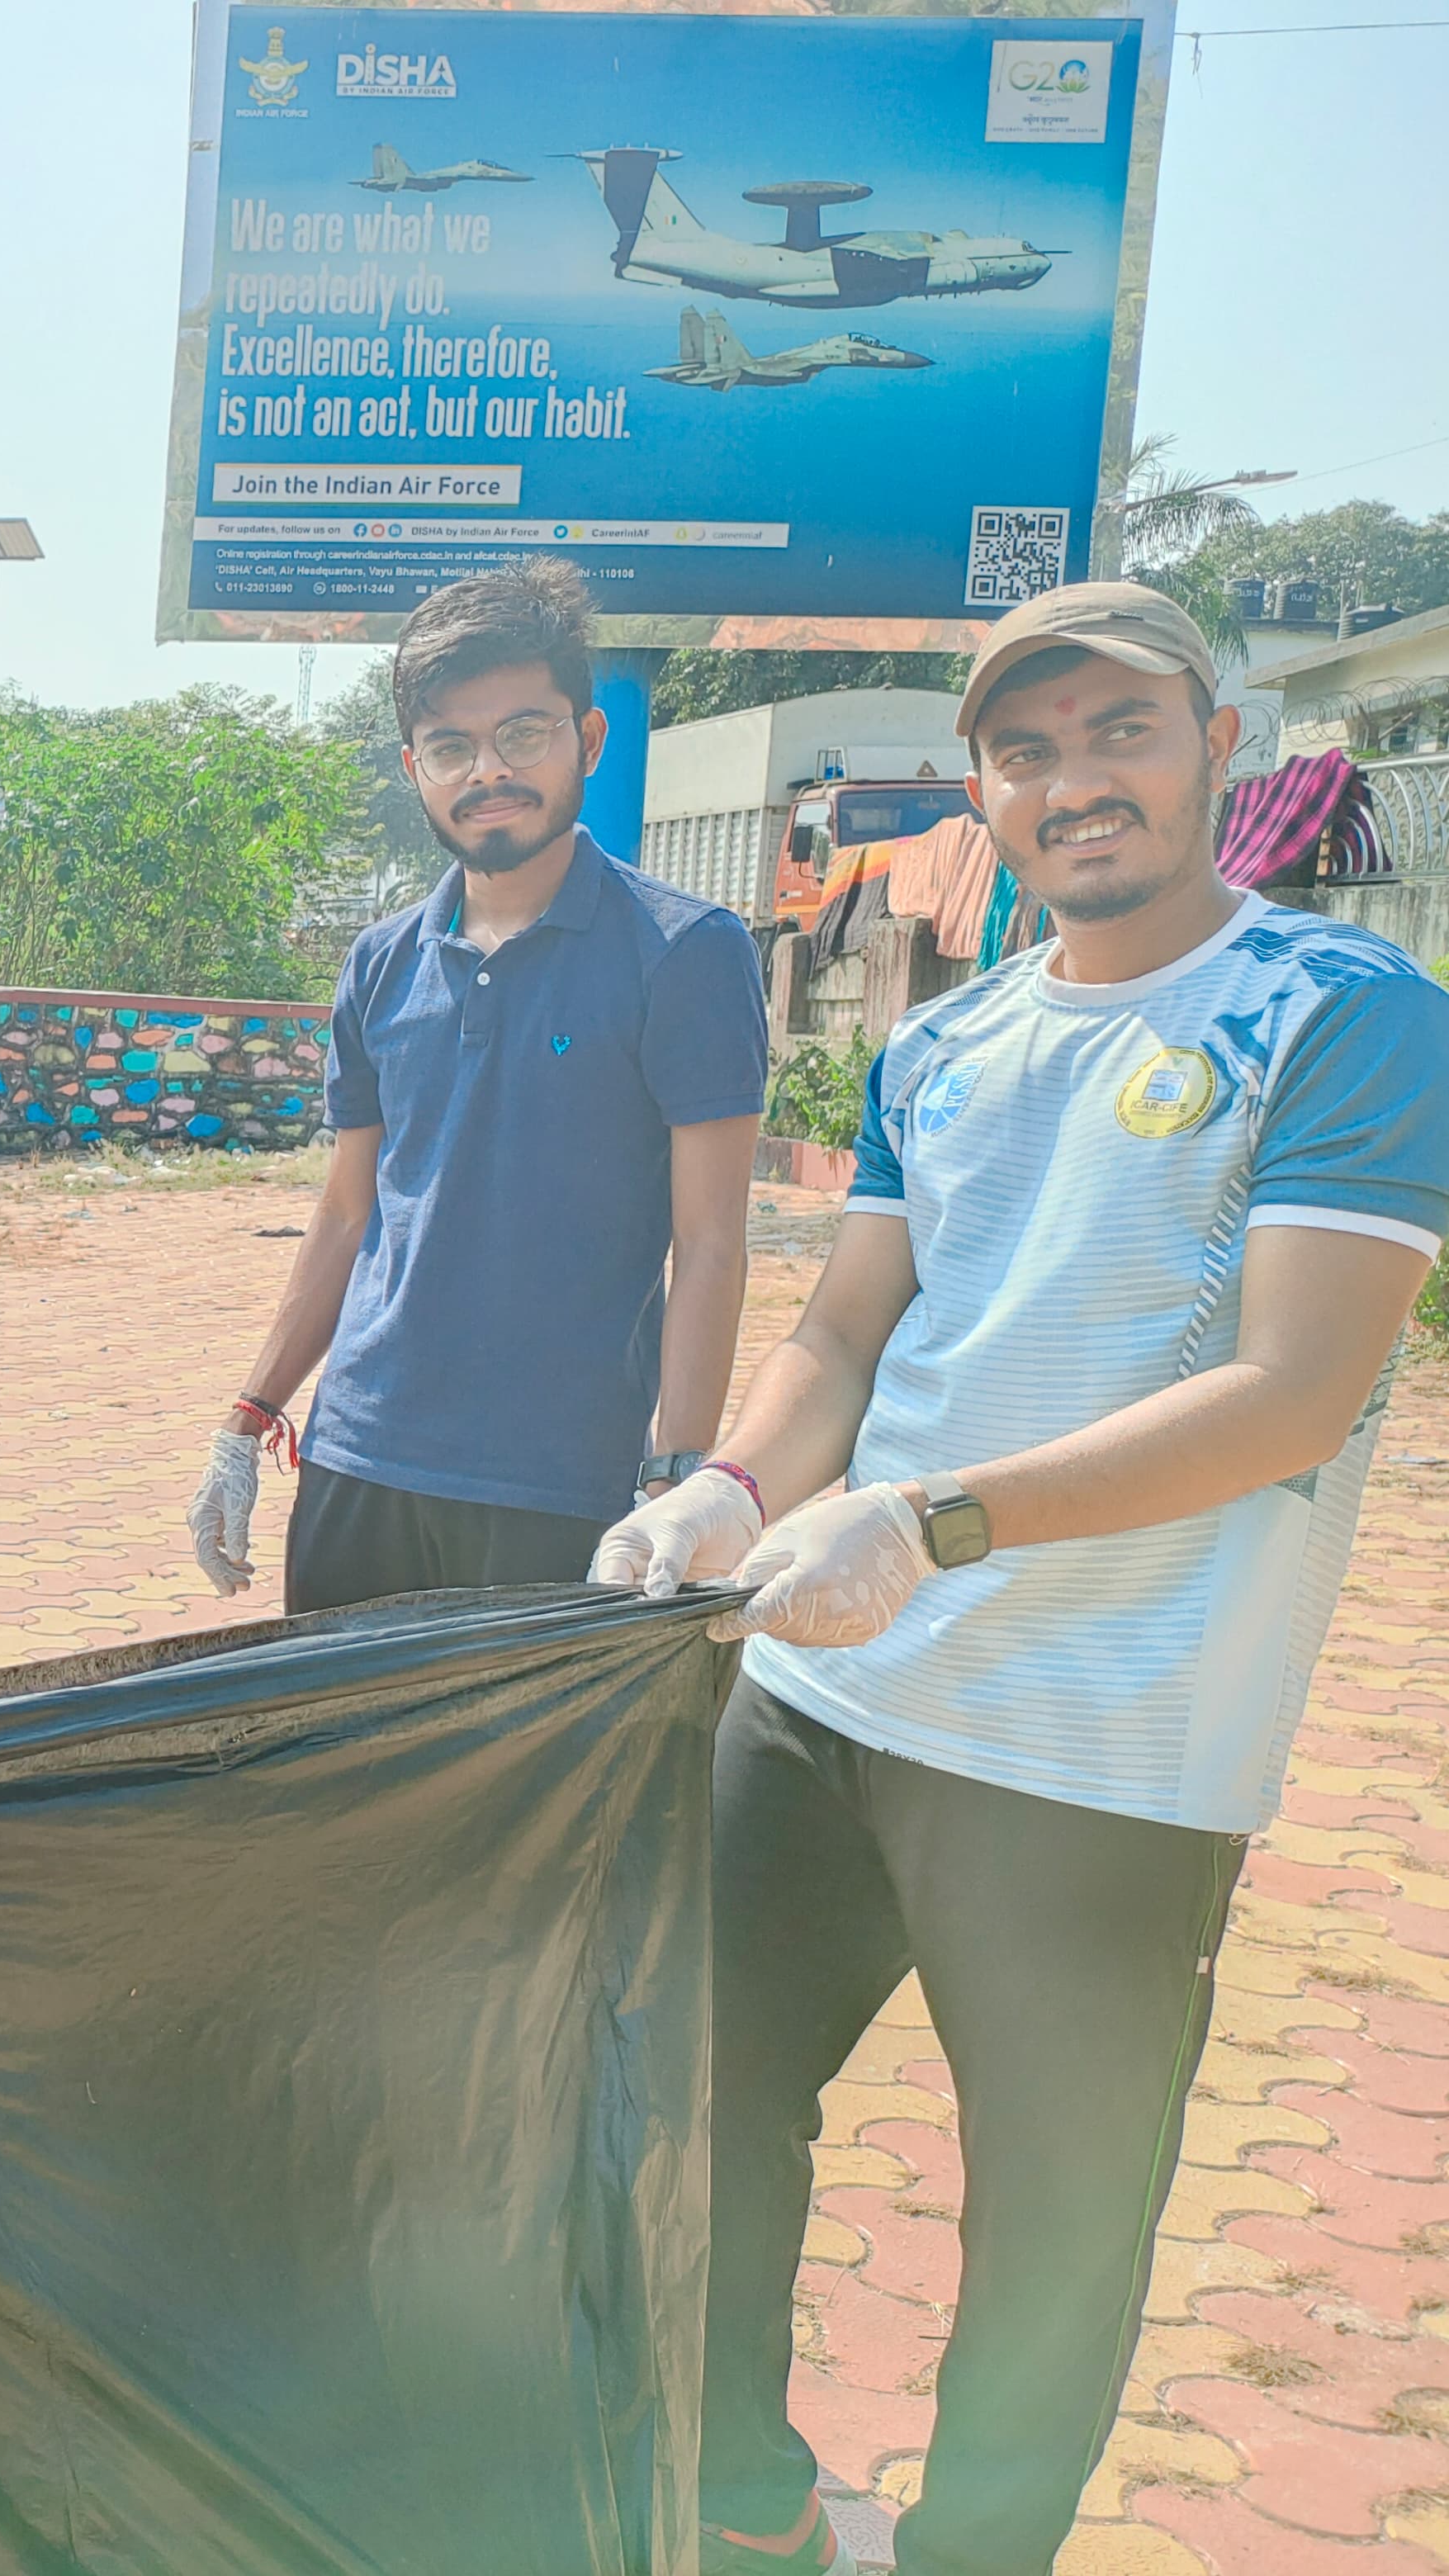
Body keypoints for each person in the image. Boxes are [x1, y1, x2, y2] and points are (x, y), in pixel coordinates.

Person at [594, 582, 1449, 2576]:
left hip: (1099, 1748)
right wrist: (723, 1488)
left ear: (1216, 744)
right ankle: (744, 2501)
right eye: (1026, 750)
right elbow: (844, 1334)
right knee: (687, 2096)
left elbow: (1291, 1392)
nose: (1075, 781)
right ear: (979, 790)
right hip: (822, 1695)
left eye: (1119, 730)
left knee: (1054, 2222)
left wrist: (929, 1523)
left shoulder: (1340, 1010)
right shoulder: (944, 1038)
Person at [187, 557, 767, 1613]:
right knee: (345, 1722)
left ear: (587, 739)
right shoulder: (380, 962)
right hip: (358, 1456)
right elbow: (347, 1212)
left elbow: (710, 1243)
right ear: (415, 767)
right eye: (451, 747)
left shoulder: (683, 953)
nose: (487, 771)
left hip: (556, 1482)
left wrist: (677, 1477)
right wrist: (248, 1418)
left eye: (522, 734)